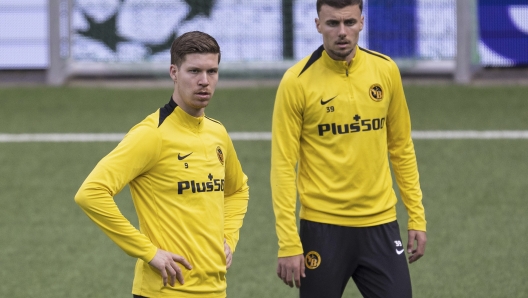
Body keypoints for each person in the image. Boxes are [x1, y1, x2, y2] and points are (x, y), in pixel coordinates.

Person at [75, 31, 250, 298]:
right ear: (174, 72)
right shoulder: (151, 134)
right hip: (163, 291)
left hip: (215, 290)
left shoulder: (218, 133)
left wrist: (229, 238)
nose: (204, 81)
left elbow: (238, 190)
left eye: (212, 71)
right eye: (194, 71)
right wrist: (148, 252)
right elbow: (91, 194)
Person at [270, 1, 427, 297]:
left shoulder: (386, 70)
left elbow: (401, 148)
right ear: (318, 24)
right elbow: (282, 166)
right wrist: (288, 240)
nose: (342, 32)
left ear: (362, 22)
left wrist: (416, 216)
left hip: (380, 223)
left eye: (349, 23)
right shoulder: (296, 82)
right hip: (322, 227)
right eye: (332, 24)